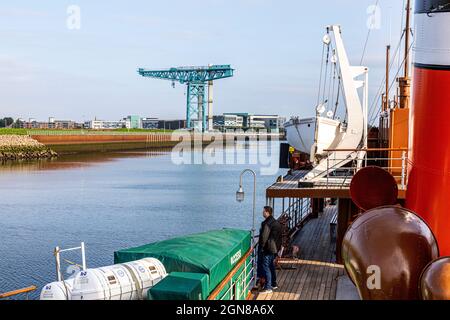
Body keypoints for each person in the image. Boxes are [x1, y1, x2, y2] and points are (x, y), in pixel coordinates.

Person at [258, 206, 282, 294]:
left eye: (263, 211)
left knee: (266, 266)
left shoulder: (266, 223)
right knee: (271, 266)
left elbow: (264, 237)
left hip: (267, 249)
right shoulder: (276, 222)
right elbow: (279, 237)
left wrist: (262, 248)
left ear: (267, 212)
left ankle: (268, 287)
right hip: (274, 248)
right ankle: (273, 284)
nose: (262, 213)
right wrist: (278, 249)